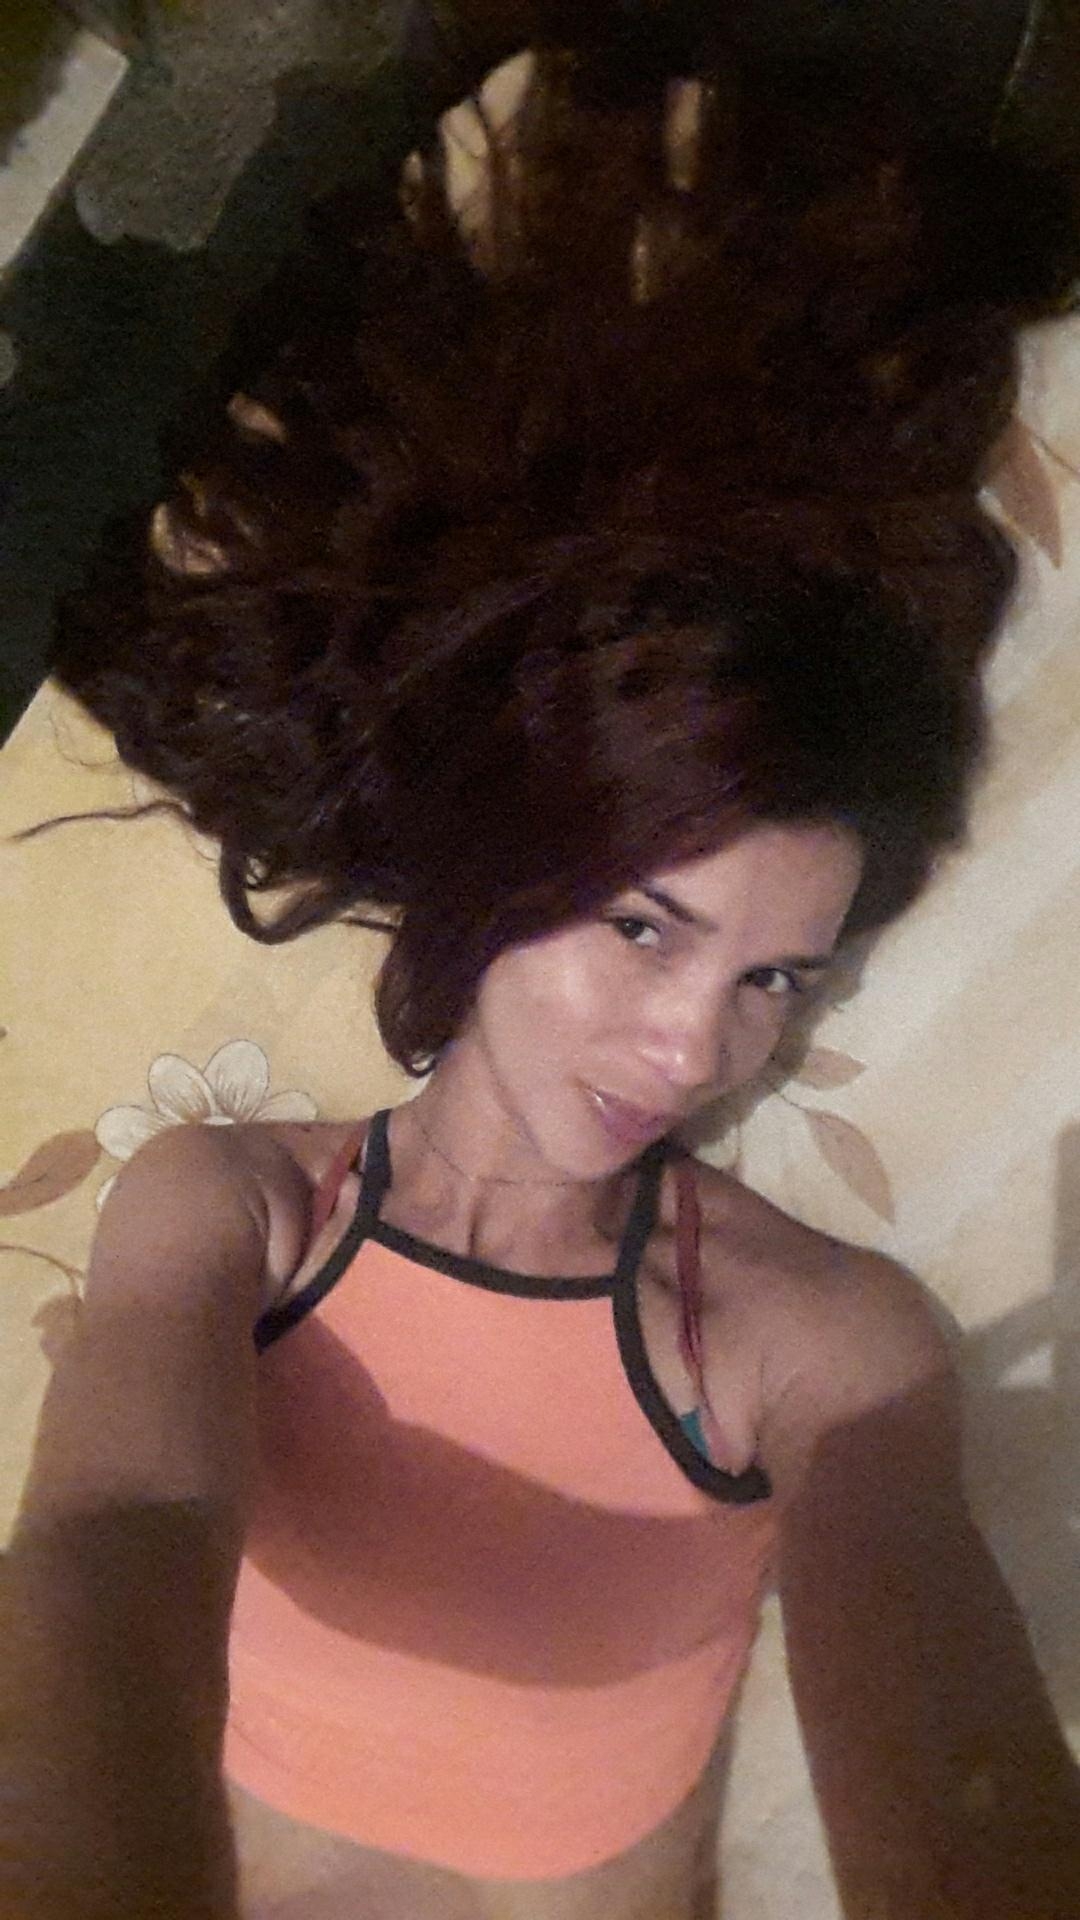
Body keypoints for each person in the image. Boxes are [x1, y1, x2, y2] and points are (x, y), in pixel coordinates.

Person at [6, 20, 1080, 1920]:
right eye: (649, 926)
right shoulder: (240, 1217)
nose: (698, 1042)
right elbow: (117, 1543)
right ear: (502, 871)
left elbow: (951, 1764)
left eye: (777, 979)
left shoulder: (813, 1340)